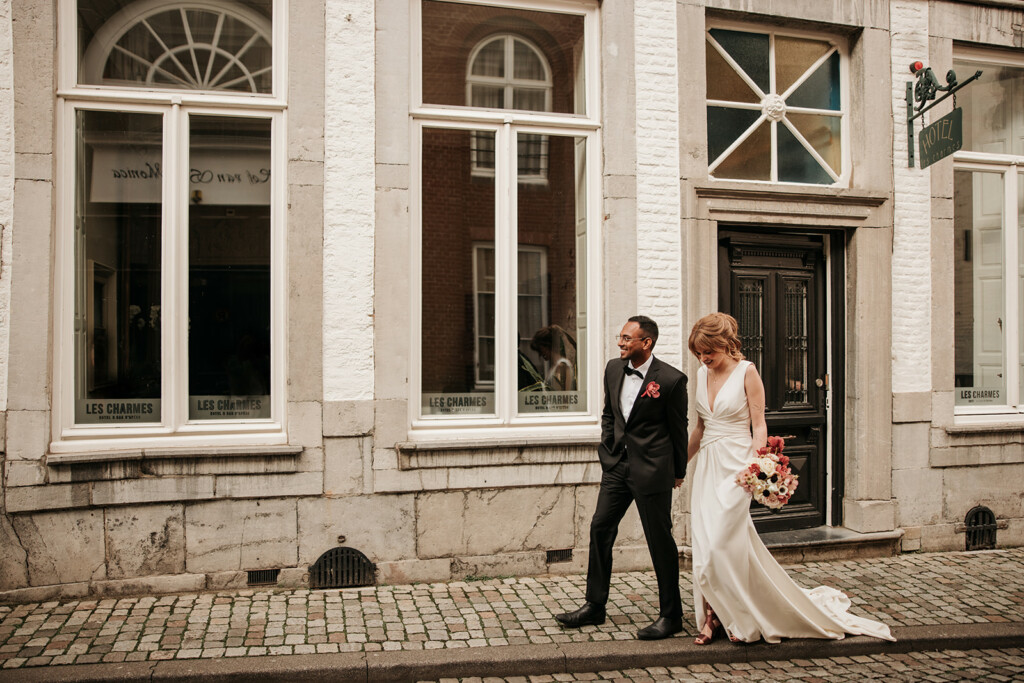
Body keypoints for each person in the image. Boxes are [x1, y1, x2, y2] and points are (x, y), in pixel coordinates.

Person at [686, 312, 895, 645]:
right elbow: (698, 427)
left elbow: (759, 425)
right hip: (708, 466)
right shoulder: (700, 374)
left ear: (725, 344)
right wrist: (680, 466)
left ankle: (740, 614)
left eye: (708, 351)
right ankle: (714, 617)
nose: (704, 358)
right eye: (698, 353)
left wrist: (757, 467)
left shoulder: (746, 372)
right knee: (706, 544)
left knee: (721, 545)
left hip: (737, 469)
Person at [555, 315, 688, 640]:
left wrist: (678, 472)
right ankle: (594, 605)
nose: (620, 342)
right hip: (616, 467)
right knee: (600, 528)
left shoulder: (671, 380)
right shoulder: (614, 369)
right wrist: (608, 448)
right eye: (620, 336)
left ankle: (671, 616)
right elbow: (609, 414)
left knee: (660, 542)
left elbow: (678, 429)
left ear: (647, 343)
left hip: (653, 471)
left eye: (628, 338)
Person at [529, 324, 576, 391]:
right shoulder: (555, 366)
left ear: (546, 345)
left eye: (540, 349)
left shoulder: (562, 366)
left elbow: (565, 395)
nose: (540, 354)